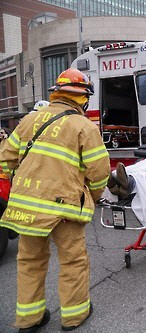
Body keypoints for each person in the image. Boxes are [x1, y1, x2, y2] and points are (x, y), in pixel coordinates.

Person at [0, 68, 110, 331]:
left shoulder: (28, 120)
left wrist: (20, 186)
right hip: (65, 208)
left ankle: (29, 318)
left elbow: (5, 160)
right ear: (83, 97)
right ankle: (74, 316)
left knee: (29, 261)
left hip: (27, 208)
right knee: (72, 261)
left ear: (56, 93)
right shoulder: (83, 126)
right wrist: (92, 197)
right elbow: (99, 173)